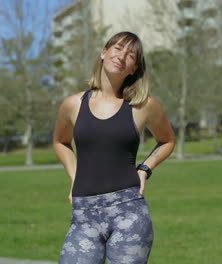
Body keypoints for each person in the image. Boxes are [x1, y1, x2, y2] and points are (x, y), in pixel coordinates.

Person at [53, 31, 175, 264]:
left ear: (133, 69)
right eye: (118, 48)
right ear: (104, 52)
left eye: (131, 55)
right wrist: (74, 177)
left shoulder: (144, 105)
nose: (122, 56)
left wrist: (145, 169)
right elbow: (60, 142)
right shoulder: (72, 105)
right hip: (84, 214)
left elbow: (167, 140)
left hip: (129, 212)